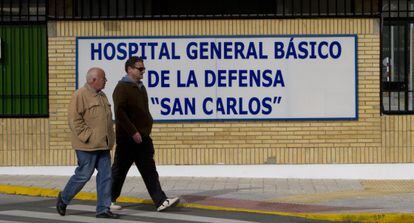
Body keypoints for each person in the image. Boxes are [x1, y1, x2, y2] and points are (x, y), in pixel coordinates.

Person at [111, 56, 179, 212]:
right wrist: (133, 132)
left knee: (149, 170)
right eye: (139, 68)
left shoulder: (140, 87)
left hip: (143, 138)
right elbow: (120, 113)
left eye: (143, 68)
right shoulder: (122, 88)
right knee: (119, 171)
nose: (143, 71)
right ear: (129, 70)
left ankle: (160, 201)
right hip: (128, 139)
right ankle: (108, 199)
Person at [56, 67, 119, 219]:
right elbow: (74, 120)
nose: (106, 81)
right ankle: (64, 198)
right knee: (84, 175)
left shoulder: (102, 96)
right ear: (93, 80)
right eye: (103, 78)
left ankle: (103, 209)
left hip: (103, 145)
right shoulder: (80, 95)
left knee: (106, 176)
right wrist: (88, 136)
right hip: (86, 146)